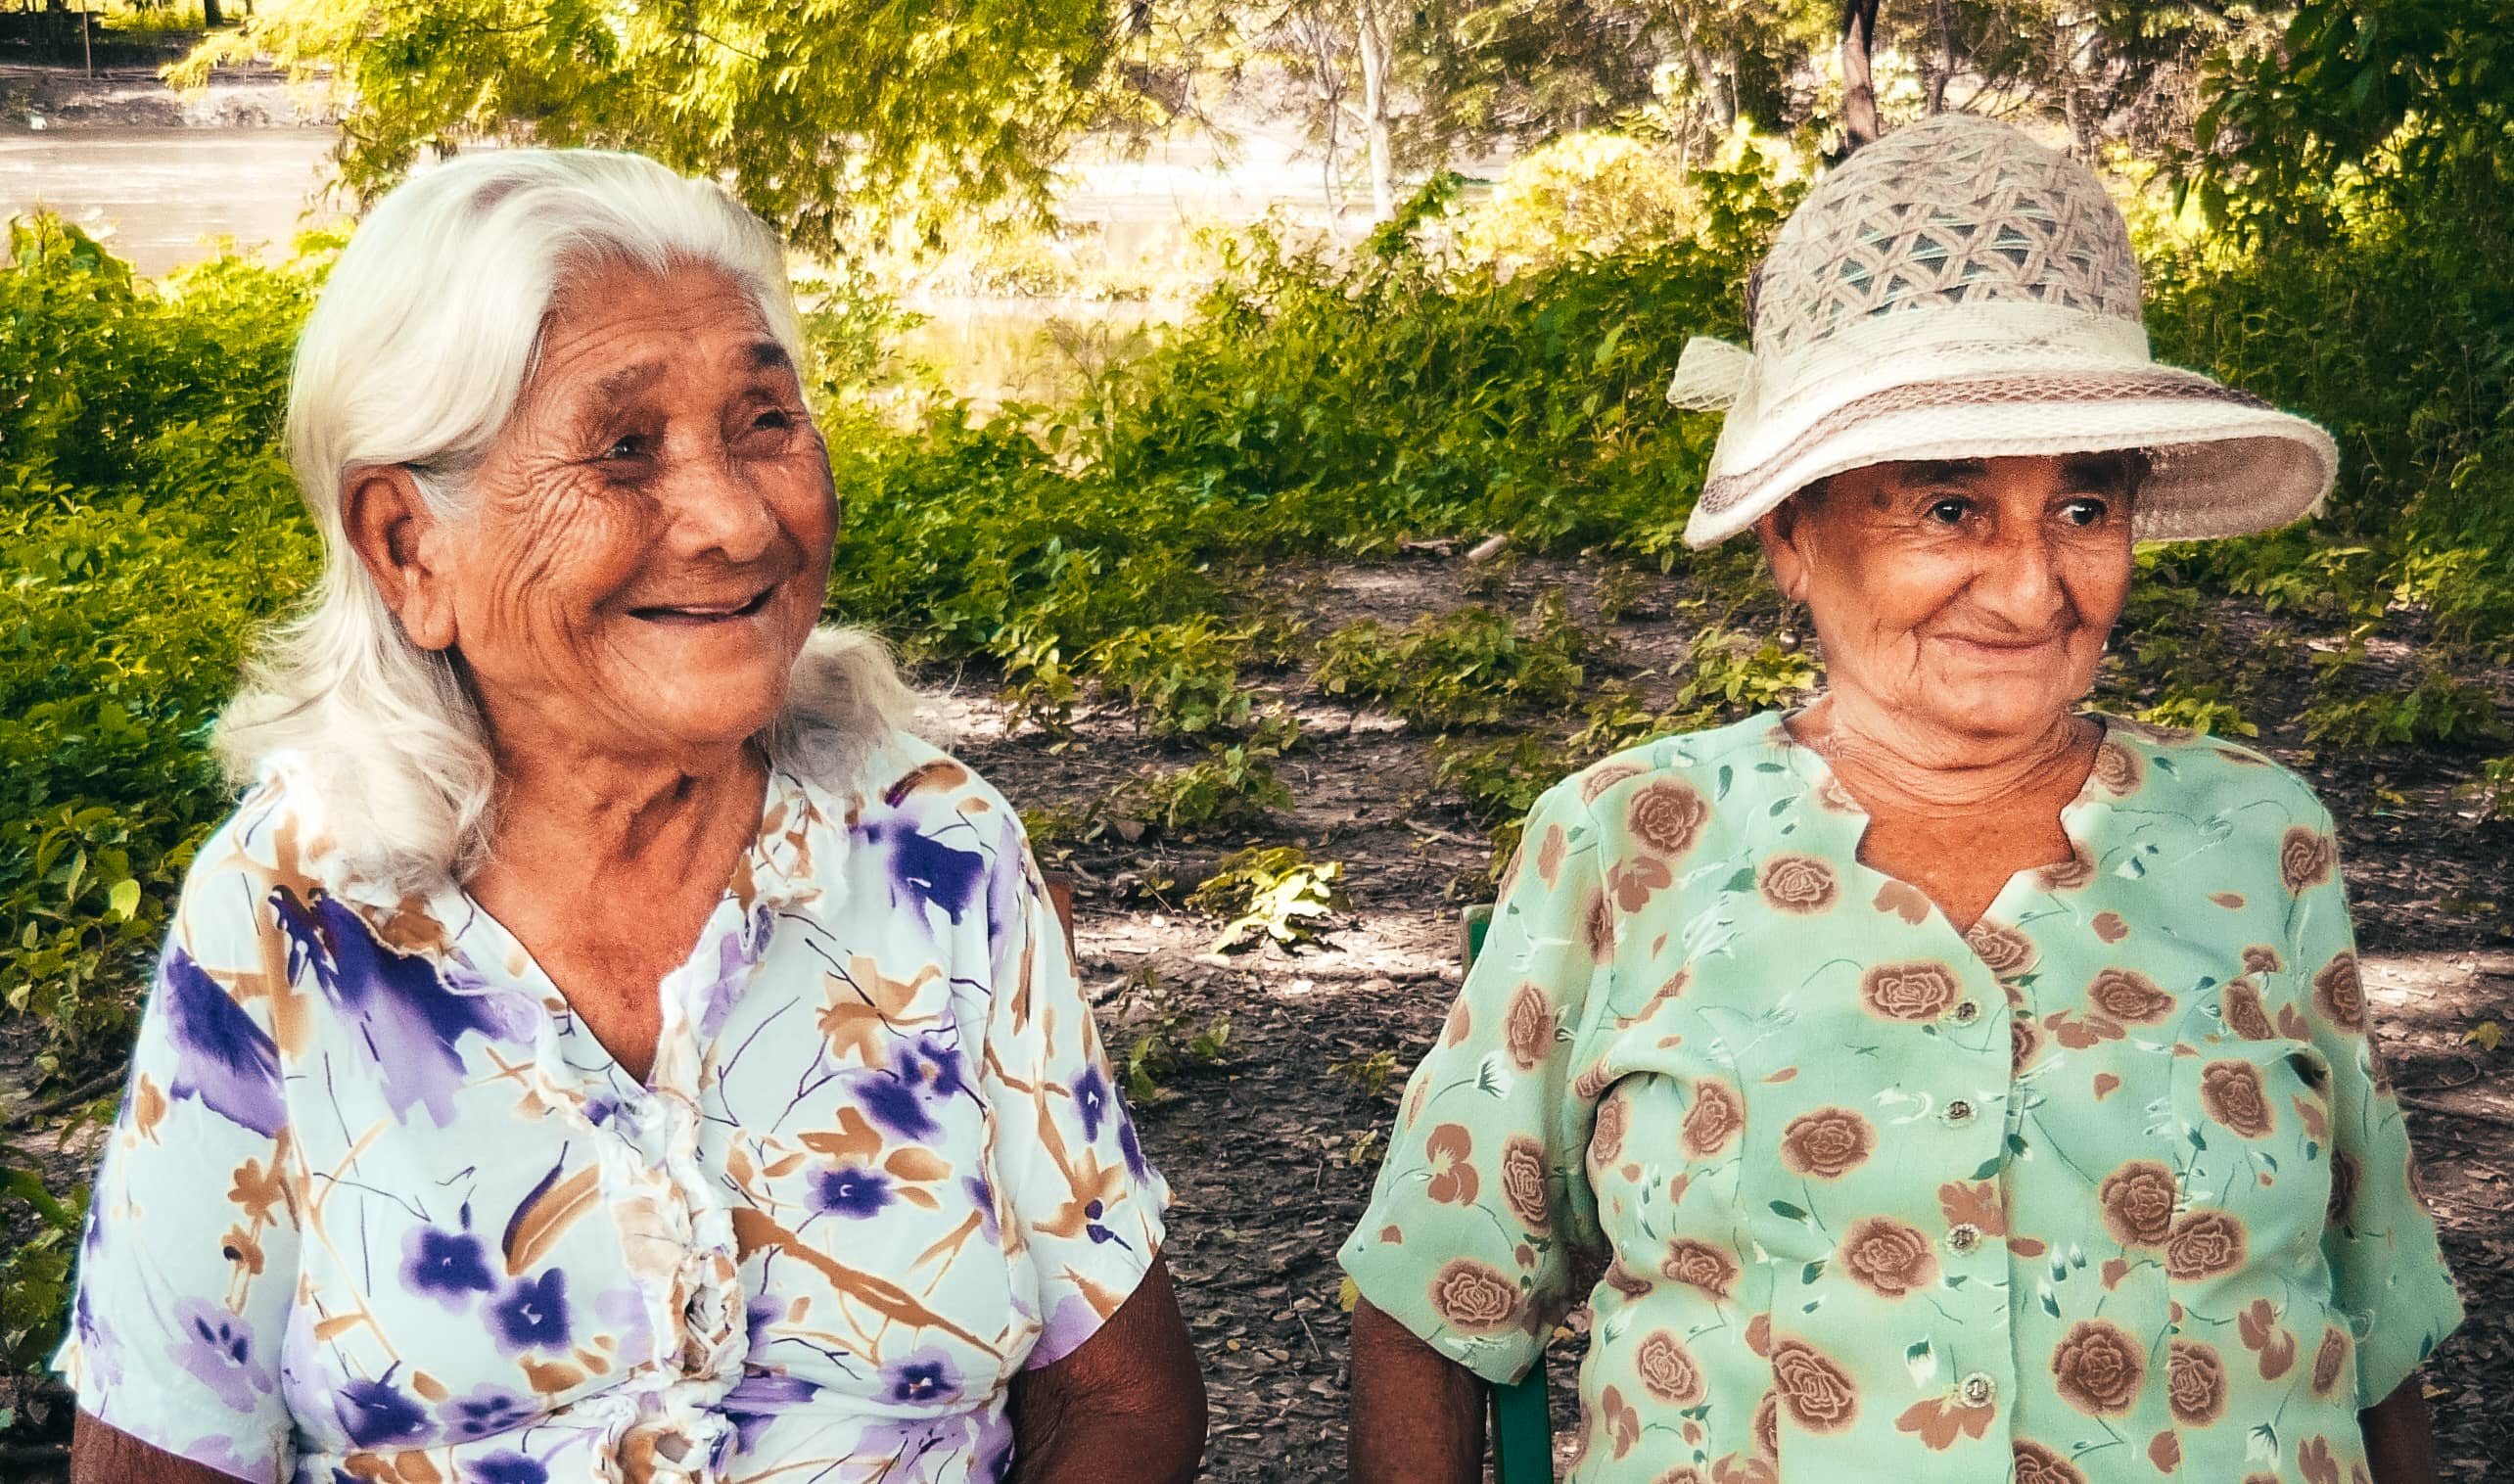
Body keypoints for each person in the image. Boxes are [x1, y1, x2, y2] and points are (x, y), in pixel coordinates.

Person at [1340, 114, 2461, 1484]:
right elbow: (1432, 1298)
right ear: (1794, 537)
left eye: (2083, 509)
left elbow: (2374, 1310)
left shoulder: (2257, 836)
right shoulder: (1630, 839)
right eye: (1948, 507)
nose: (2030, 585)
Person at [56, 149, 1203, 1484]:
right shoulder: (283, 919)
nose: (732, 518)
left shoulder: (937, 853)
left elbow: (1118, 1404)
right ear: (409, 547)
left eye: (763, 420)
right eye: (624, 450)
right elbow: (159, 1458)